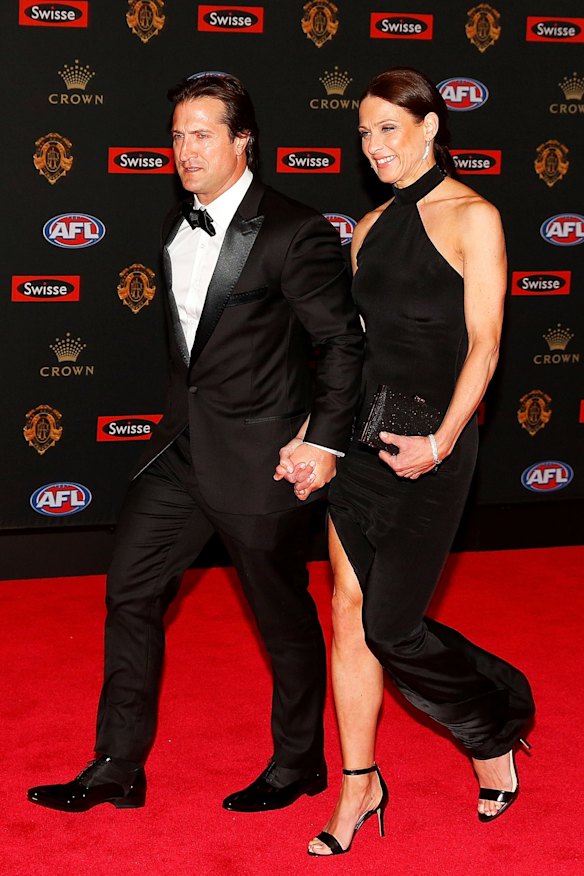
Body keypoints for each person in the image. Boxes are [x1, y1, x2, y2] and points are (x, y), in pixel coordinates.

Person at [27, 72, 363, 814]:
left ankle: (301, 761)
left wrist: (326, 445)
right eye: (177, 134)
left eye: (202, 133)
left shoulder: (293, 230)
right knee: (130, 591)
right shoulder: (175, 225)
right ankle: (117, 764)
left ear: (244, 141)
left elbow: (341, 345)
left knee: (281, 620)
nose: (186, 148)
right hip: (181, 453)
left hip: (262, 461)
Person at [276, 67, 535, 856]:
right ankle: (360, 784)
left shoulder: (474, 217)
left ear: (429, 128)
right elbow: (352, 352)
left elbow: (486, 344)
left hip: (434, 445)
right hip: (362, 445)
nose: (373, 144)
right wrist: (320, 439)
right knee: (348, 616)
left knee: (393, 625)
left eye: (389, 126)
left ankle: (494, 720)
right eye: (363, 131)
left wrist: (444, 440)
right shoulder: (370, 226)